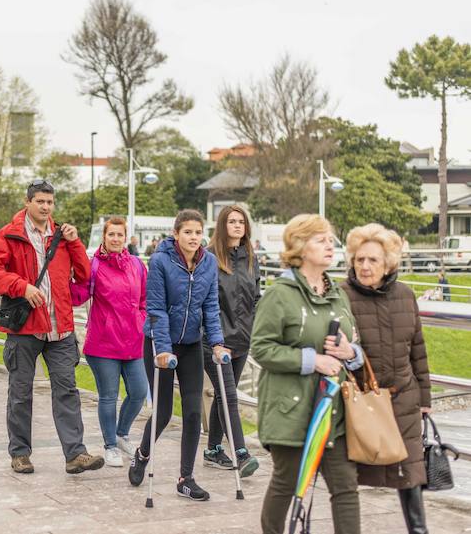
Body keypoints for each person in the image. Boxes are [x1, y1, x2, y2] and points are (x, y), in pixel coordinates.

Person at [252, 214, 365, 534]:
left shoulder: (338, 294)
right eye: (321, 240)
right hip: (290, 410)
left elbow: (354, 343)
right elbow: (261, 348)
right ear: (300, 246)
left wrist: (350, 353)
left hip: (332, 412)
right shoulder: (279, 294)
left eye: (331, 240)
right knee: (285, 484)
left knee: (345, 489)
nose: (331, 246)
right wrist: (312, 361)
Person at [0, 179, 104, 475]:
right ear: (28, 202)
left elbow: (84, 274)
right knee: (21, 393)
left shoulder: (62, 235)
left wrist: (75, 242)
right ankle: (20, 453)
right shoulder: (9, 235)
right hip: (25, 329)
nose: (46, 207)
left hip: (59, 328)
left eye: (50, 202)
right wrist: (21, 287)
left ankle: (76, 454)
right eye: (40, 201)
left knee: (67, 391)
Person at [127, 209, 226, 501]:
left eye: (198, 232)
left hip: (192, 344)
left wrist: (217, 342)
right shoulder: (160, 261)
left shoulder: (209, 263)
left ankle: (186, 478)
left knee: (194, 411)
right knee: (165, 412)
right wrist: (164, 347)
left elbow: (210, 306)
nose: (193, 237)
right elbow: (156, 307)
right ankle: (143, 454)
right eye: (188, 232)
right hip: (160, 345)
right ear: (176, 233)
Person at [341, 223, 432, 534]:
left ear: (388, 263)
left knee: (410, 477)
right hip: (360, 402)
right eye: (359, 259)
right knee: (347, 476)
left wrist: (425, 400)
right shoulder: (342, 296)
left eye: (373, 260)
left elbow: (418, 349)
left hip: (404, 400)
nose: (365, 266)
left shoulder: (406, 295)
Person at [70, 217, 148, 467]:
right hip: (103, 343)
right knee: (108, 396)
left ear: (126, 238)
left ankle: (122, 433)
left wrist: (142, 319)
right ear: (104, 236)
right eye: (111, 234)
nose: (115, 239)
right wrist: (65, 278)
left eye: (120, 235)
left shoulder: (136, 264)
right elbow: (79, 295)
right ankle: (110, 446)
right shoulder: (93, 265)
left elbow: (145, 298)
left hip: (134, 342)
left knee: (139, 392)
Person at [202, 205, 261, 477]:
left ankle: (213, 449)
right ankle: (241, 451)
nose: (237, 226)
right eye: (232, 221)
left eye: (241, 222)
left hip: (242, 339)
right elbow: (206, 302)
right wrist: (215, 338)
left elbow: (255, 298)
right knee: (229, 396)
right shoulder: (210, 258)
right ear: (222, 226)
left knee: (223, 394)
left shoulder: (251, 258)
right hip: (215, 341)